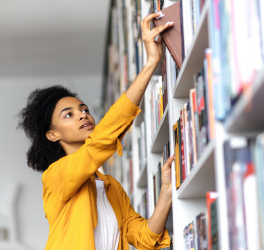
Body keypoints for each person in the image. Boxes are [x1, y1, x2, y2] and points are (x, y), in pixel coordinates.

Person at [17, 12, 174, 250]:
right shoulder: (56, 176)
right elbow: (101, 142)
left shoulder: (112, 187)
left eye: (84, 109)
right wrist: (151, 63)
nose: (82, 114)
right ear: (53, 134)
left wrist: (166, 191)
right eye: (68, 114)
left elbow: (144, 238)